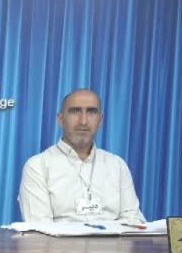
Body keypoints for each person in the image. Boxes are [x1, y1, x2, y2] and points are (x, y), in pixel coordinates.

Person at [18, 88, 145, 223]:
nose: (83, 121)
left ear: (100, 120)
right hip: (61, 239)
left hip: (113, 238)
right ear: (60, 119)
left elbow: (134, 222)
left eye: (91, 112)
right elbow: (40, 228)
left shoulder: (117, 165)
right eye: (75, 111)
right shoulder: (37, 166)